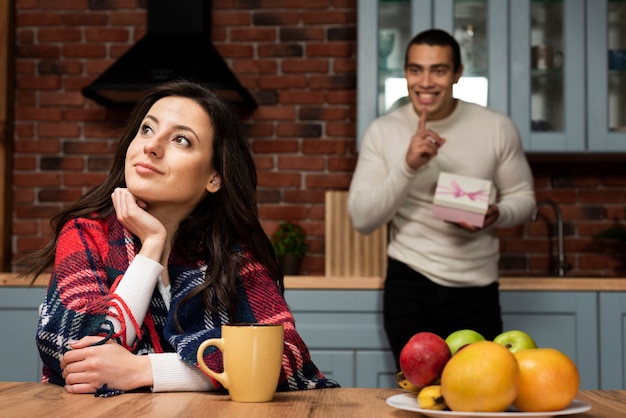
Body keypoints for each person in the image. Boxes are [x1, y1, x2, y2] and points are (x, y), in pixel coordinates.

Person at [23, 80, 339, 394]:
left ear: (214, 177)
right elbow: (73, 349)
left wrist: (143, 370)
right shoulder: (86, 233)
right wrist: (153, 246)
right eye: (147, 129)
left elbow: (284, 355)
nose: (151, 145)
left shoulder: (230, 254)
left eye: (181, 140)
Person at [348, 29, 535, 367]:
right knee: (420, 394)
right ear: (405, 73)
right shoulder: (383, 131)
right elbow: (362, 219)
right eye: (416, 69)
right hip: (410, 283)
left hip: (477, 287)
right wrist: (407, 167)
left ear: (458, 73)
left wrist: (497, 213)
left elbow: (524, 199)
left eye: (439, 70)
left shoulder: (496, 127)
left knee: (481, 391)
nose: (426, 81)